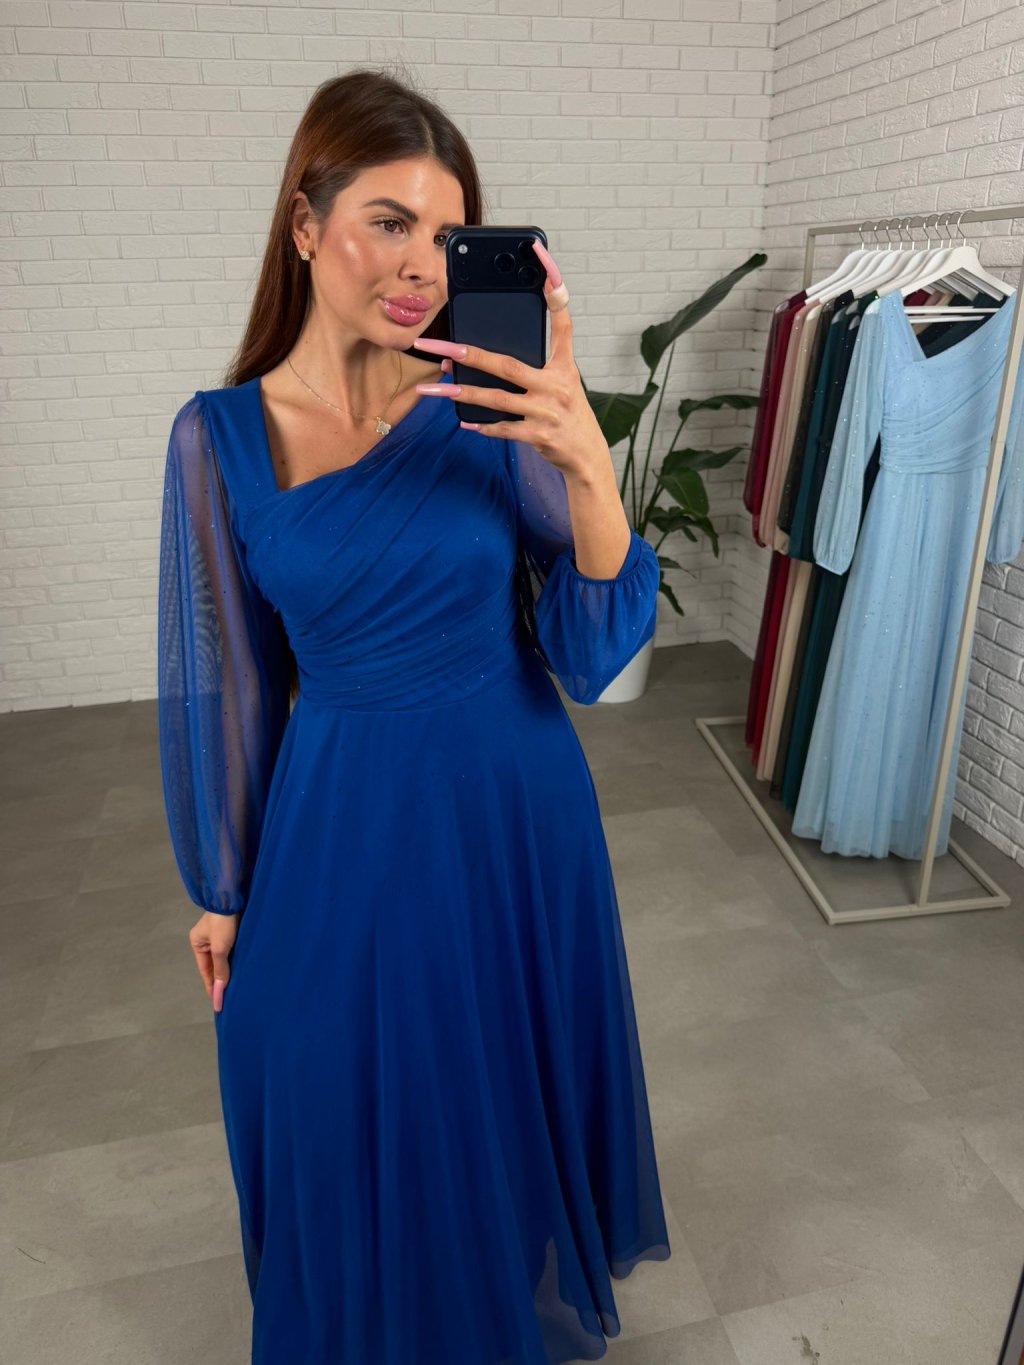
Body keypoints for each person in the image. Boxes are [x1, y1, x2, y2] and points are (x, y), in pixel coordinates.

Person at [157, 65, 670, 1365]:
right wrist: (223, 884)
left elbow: (590, 654)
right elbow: (237, 683)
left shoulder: (487, 407)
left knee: (488, 1090)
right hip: (342, 811)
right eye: (389, 220)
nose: (422, 265)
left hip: (511, 807)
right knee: (321, 1086)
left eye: (449, 236)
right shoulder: (218, 438)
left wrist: (584, 459)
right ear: (304, 222)